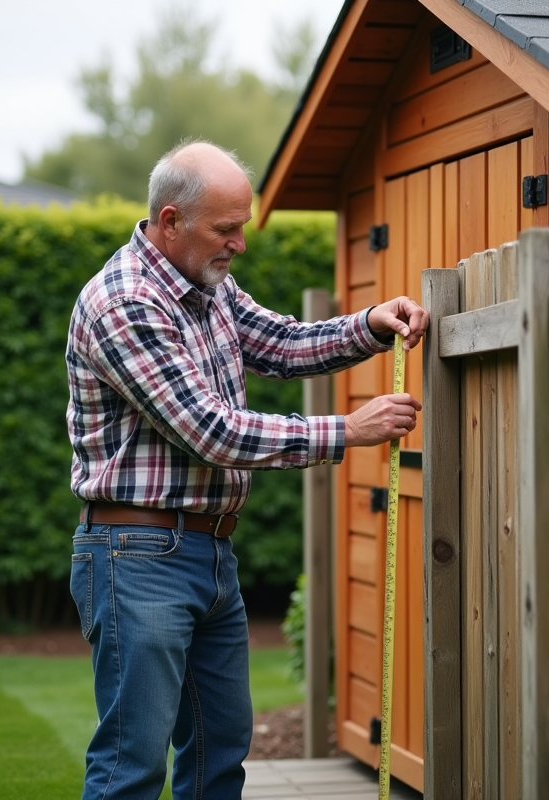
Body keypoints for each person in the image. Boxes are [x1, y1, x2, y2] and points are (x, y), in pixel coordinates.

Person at [65, 140, 428, 800]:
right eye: (226, 229)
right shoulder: (125, 302)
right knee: (131, 766)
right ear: (171, 221)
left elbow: (284, 343)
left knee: (220, 756)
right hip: (136, 554)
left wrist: (372, 324)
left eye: (243, 226)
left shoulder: (210, 288)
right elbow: (209, 430)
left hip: (207, 551)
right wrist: (347, 430)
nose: (239, 244)